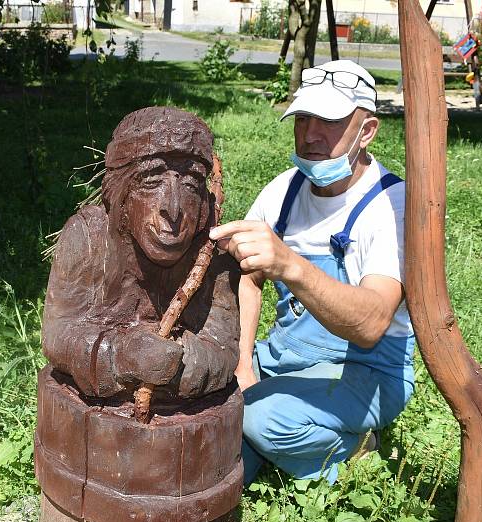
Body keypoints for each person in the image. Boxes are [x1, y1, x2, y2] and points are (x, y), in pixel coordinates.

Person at [209, 60, 415, 484]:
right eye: (303, 119)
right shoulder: (285, 189)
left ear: (368, 130)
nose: (311, 135)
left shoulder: (392, 206)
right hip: (283, 358)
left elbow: (373, 323)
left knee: (257, 418)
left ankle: (357, 447)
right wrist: (243, 365)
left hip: (367, 371)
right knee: (205, 391)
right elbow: (247, 278)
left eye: (331, 122)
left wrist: (290, 265)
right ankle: (258, 441)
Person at [43, 106, 240, 405]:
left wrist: (181, 363)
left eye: (189, 184)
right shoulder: (89, 236)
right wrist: (120, 355)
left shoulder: (213, 252)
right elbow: (57, 334)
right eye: (151, 182)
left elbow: (223, 349)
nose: (173, 209)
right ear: (121, 195)